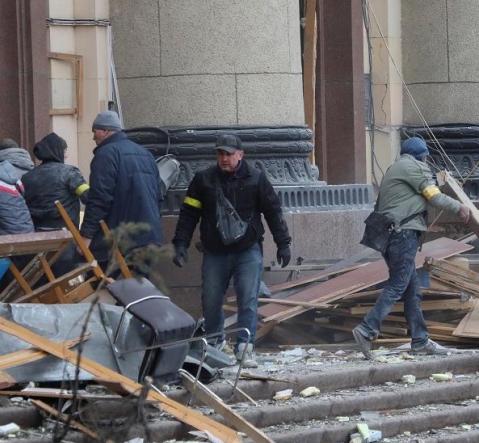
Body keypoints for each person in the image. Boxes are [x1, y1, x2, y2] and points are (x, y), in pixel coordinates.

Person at [172, 134, 292, 368]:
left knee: (248, 299)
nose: (224, 158)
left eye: (228, 154)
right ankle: (214, 345)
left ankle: (245, 348)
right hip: (215, 252)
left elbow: (273, 212)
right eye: (220, 154)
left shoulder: (256, 179)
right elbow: (188, 214)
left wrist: (283, 244)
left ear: (240, 155)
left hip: (248, 251)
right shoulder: (203, 180)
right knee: (211, 299)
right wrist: (180, 244)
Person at [352, 137, 470, 359]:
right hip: (402, 235)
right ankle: (367, 329)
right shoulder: (415, 167)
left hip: (388, 235)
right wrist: (459, 207)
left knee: (411, 290)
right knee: (398, 285)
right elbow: (433, 196)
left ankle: (420, 340)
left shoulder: (395, 167)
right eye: (426, 158)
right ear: (424, 156)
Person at [80, 110, 163, 273]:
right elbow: (159, 195)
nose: (93, 138)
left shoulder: (105, 154)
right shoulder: (146, 154)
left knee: (101, 288)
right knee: (139, 293)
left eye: (94, 132)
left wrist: (86, 235)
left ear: (104, 131)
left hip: (119, 241)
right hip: (148, 236)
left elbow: (99, 198)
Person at [22, 132, 90, 276]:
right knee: (65, 280)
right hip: (65, 239)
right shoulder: (70, 173)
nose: (65, 156)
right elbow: (88, 197)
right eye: (64, 152)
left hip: (37, 239)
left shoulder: (27, 177)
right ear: (58, 151)